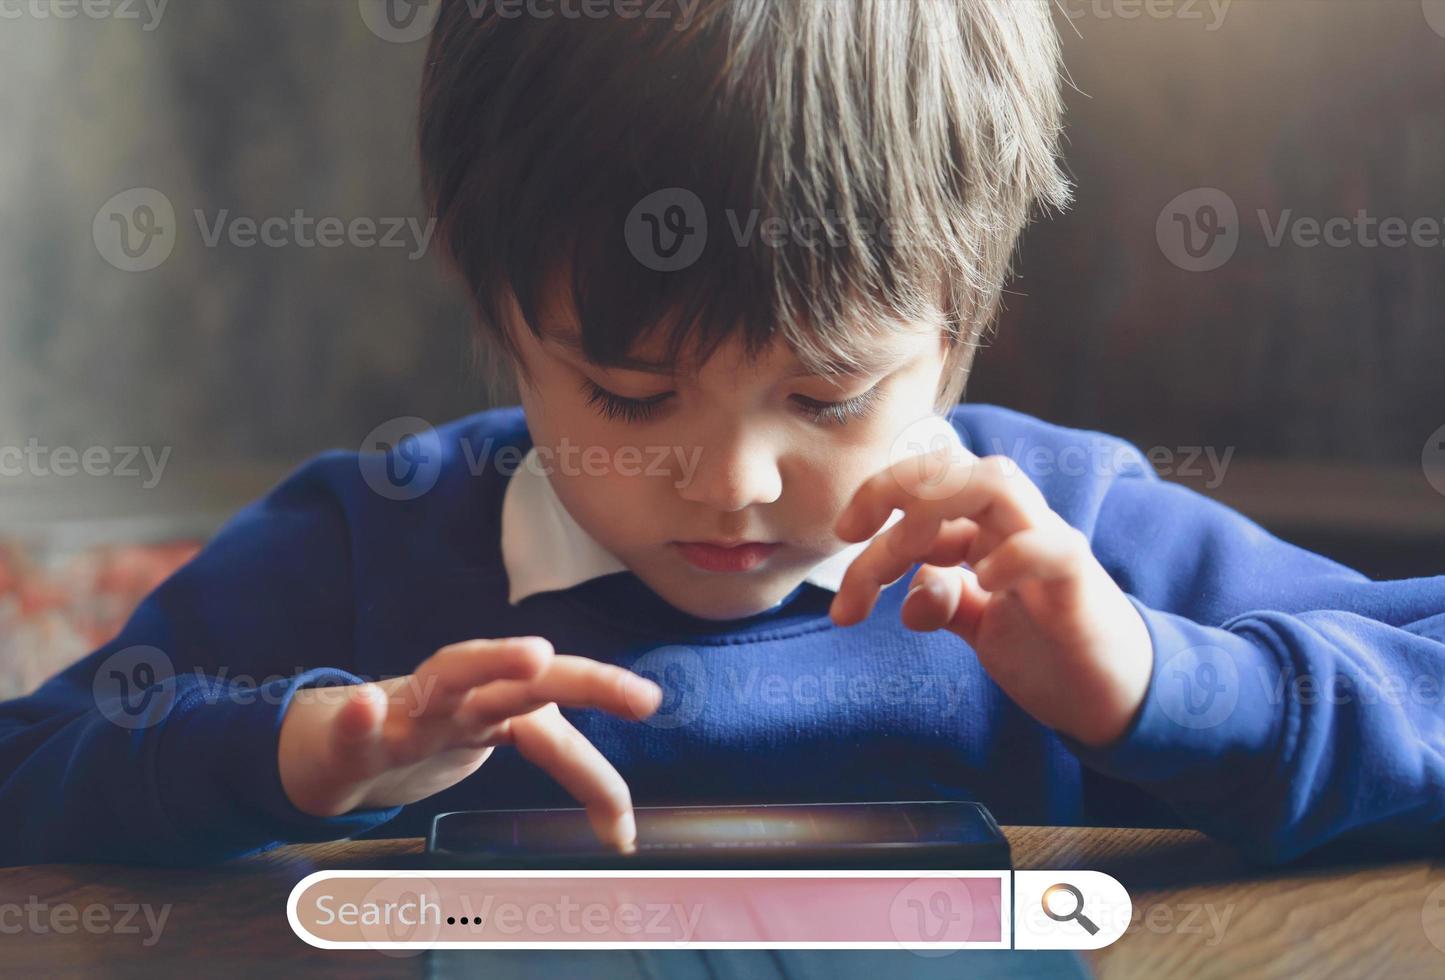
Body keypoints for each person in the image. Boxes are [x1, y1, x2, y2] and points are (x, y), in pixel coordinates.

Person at [2, 0, 1442, 868]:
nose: (733, 482)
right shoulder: (376, 539)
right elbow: (34, 770)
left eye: (826, 399)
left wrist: (1159, 688)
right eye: (627, 397)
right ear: (498, 306)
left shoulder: (1060, 538)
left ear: (959, 322)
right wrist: (313, 751)